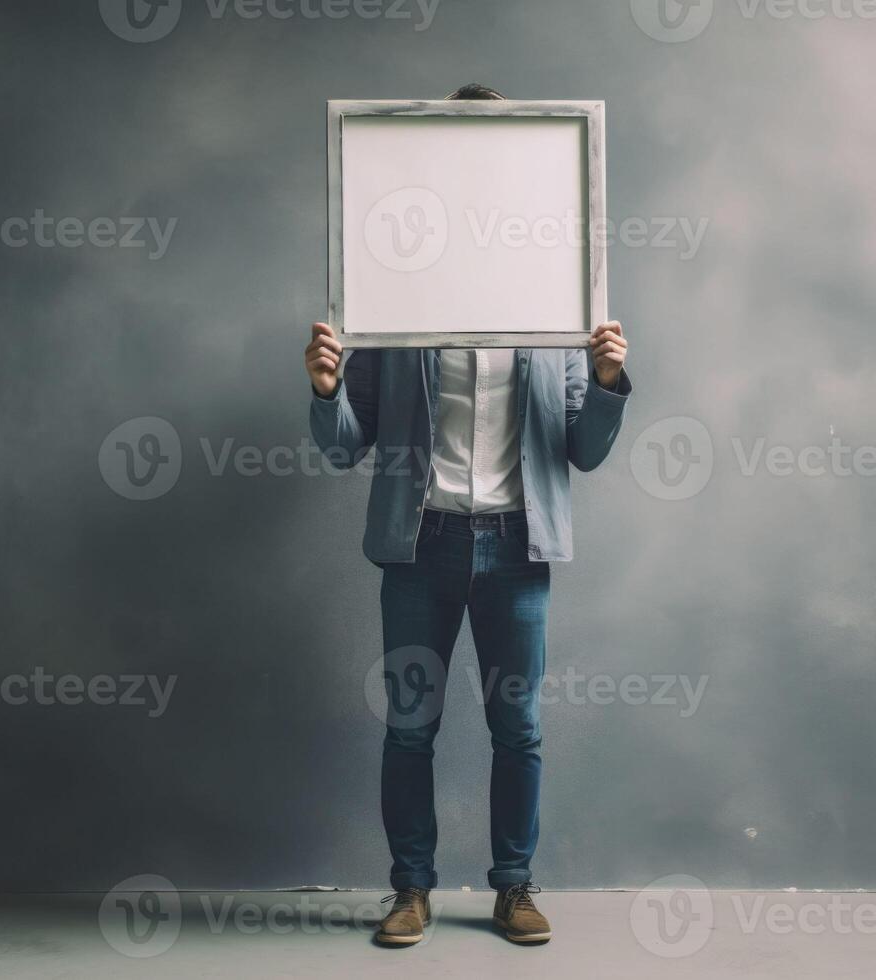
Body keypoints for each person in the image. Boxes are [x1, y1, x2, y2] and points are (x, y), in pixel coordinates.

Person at [306, 83, 633, 947]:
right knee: (411, 725)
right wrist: (326, 388)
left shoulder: (555, 308)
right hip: (422, 547)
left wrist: (604, 385)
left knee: (516, 727)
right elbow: (346, 445)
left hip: (518, 548)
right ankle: (409, 889)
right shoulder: (397, 307)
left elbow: (583, 451)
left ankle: (513, 888)